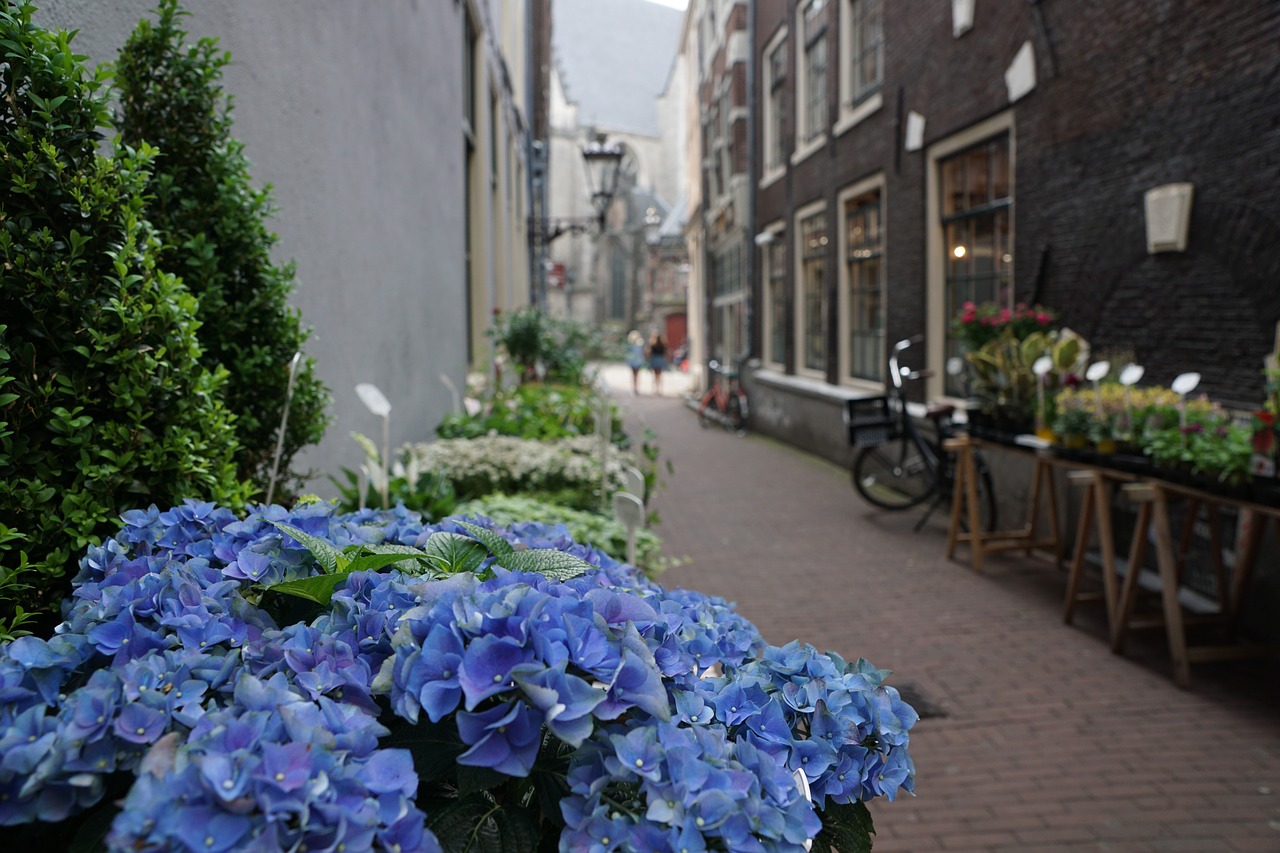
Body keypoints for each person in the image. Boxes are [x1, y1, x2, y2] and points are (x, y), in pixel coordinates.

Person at [624, 330, 645, 395]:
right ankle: (635, 388)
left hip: (633, 361)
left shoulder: (631, 345)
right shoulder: (639, 345)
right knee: (636, 375)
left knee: (634, 376)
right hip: (637, 361)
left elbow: (628, 354)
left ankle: (634, 388)